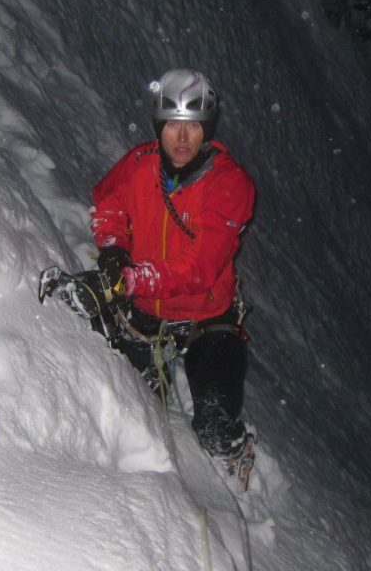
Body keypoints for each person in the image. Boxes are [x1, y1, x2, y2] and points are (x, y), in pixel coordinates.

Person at [88, 68, 256, 462]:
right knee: (134, 407)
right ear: (158, 127)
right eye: (172, 125)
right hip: (144, 314)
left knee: (213, 429)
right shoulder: (138, 164)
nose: (182, 138)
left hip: (206, 319)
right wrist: (113, 247)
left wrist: (130, 280)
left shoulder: (230, 185)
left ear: (207, 129)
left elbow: (199, 269)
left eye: (193, 126)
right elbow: (108, 203)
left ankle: (236, 452)